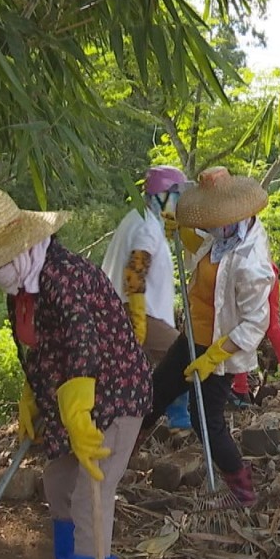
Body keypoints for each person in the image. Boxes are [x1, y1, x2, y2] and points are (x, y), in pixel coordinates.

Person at [0, 190, 151, 559]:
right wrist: (30, 393)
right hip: (69, 399)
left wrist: (77, 407)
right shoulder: (20, 285)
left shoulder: (61, 276)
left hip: (115, 394)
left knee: (93, 494)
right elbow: (35, 348)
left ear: (19, 246)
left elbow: (81, 343)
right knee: (57, 482)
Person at [142, 167, 274, 506]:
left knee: (206, 421)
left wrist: (214, 356)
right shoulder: (221, 235)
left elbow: (255, 323)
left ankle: (243, 491)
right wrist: (182, 231)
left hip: (220, 347)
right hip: (192, 337)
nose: (209, 225)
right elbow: (201, 249)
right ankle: (117, 458)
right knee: (153, 395)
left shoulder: (251, 260)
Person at [101, 165, 192, 429]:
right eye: (176, 196)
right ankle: (176, 417)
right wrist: (138, 317)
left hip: (127, 307)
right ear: (163, 196)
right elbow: (135, 268)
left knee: (136, 371)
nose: (179, 203)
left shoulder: (140, 218)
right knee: (183, 355)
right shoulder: (147, 226)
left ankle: (146, 417)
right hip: (138, 310)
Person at [231, 261, 280, 406]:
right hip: (267, 269)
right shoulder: (255, 239)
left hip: (247, 274)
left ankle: (240, 389)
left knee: (244, 328)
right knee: (273, 327)